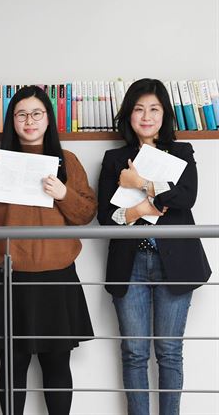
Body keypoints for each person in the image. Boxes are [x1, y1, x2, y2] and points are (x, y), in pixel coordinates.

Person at [0, 85, 96, 415]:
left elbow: (85, 215)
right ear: (12, 122)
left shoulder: (67, 161)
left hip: (57, 277)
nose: (29, 121)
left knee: (57, 366)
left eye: (37, 113)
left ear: (48, 120)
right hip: (9, 276)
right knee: (12, 365)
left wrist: (64, 193)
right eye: (21, 114)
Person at [97, 78, 211, 415]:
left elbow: (185, 198)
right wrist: (140, 210)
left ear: (165, 115)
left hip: (174, 261)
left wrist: (140, 184)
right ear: (128, 115)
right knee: (134, 351)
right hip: (130, 263)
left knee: (169, 350)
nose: (146, 116)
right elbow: (106, 216)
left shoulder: (181, 151)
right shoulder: (114, 157)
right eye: (139, 109)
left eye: (154, 109)